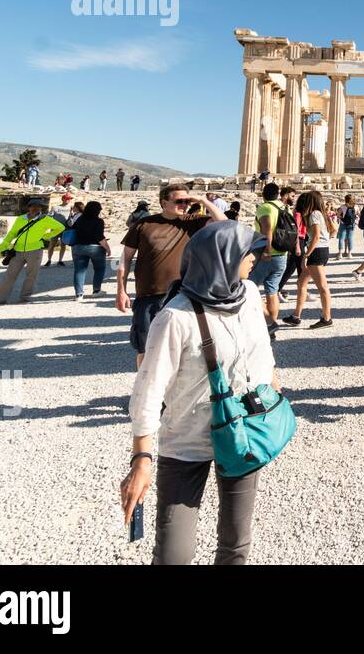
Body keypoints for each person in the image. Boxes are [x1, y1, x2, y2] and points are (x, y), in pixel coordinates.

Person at [122, 221, 280, 565]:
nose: (255, 257)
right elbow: (148, 391)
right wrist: (142, 459)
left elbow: (262, 352)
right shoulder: (174, 317)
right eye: (247, 251)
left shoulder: (250, 294)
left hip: (242, 436)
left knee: (236, 544)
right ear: (220, 258)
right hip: (186, 441)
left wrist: (274, 401)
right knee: (172, 554)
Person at [117, 184, 225, 370]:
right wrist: (121, 291)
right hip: (148, 295)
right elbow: (125, 259)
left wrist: (202, 200)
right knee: (145, 348)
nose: (183, 204)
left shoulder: (193, 221)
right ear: (163, 202)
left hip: (182, 296)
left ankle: (172, 396)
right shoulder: (143, 224)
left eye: (186, 200)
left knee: (183, 348)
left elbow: (224, 223)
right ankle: (145, 393)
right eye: (178, 201)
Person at [0, 198, 65, 305]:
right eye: (33, 206)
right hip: (18, 250)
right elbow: (12, 233)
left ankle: (25, 297)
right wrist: (4, 246)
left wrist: (46, 236)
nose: (36, 208)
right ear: (28, 208)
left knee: (31, 275)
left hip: (35, 251)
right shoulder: (21, 219)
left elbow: (60, 227)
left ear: (41, 208)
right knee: (9, 275)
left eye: (38, 207)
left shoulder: (46, 219)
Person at [283, 191, 334, 329]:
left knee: (322, 287)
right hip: (320, 250)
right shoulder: (320, 214)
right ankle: (296, 316)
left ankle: (326, 318)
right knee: (301, 283)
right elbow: (332, 230)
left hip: (316, 251)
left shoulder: (314, 214)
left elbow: (316, 237)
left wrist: (306, 255)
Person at [248, 182, 290, 335]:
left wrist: (266, 251)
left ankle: (269, 323)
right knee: (272, 292)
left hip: (266, 255)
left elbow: (266, 229)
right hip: (282, 255)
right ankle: (271, 328)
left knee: (248, 287)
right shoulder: (284, 207)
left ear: (263, 194)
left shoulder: (265, 208)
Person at [70, 201, 110, 301]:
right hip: (95, 248)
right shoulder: (99, 221)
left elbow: (72, 229)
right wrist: (107, 248)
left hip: (78, 247)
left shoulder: (79, 219)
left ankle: (78, 295)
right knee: (99, 269)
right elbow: (99, 237)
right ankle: (96, 290)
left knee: (79, 271)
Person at [45, 195, 75, 266]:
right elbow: (49, 216)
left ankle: (60, 260)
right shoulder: (55, 207)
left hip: (65, 229)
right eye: (67, 199)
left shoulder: (71, 208)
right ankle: (49, 260)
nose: (68, 200)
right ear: (63, 199)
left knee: (63, 245)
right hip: (55, 229)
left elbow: (72, 216)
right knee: (52, 244)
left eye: (69, 199)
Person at [335, 194, 357, 259]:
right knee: (350, 238)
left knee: (341, 238)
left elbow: (338, 215)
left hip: (343, 224)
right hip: (351, 224)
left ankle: (340, 254)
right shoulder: (356, 207)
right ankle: (349, 254)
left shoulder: (342, 207)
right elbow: (358, 215)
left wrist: (340, 218)